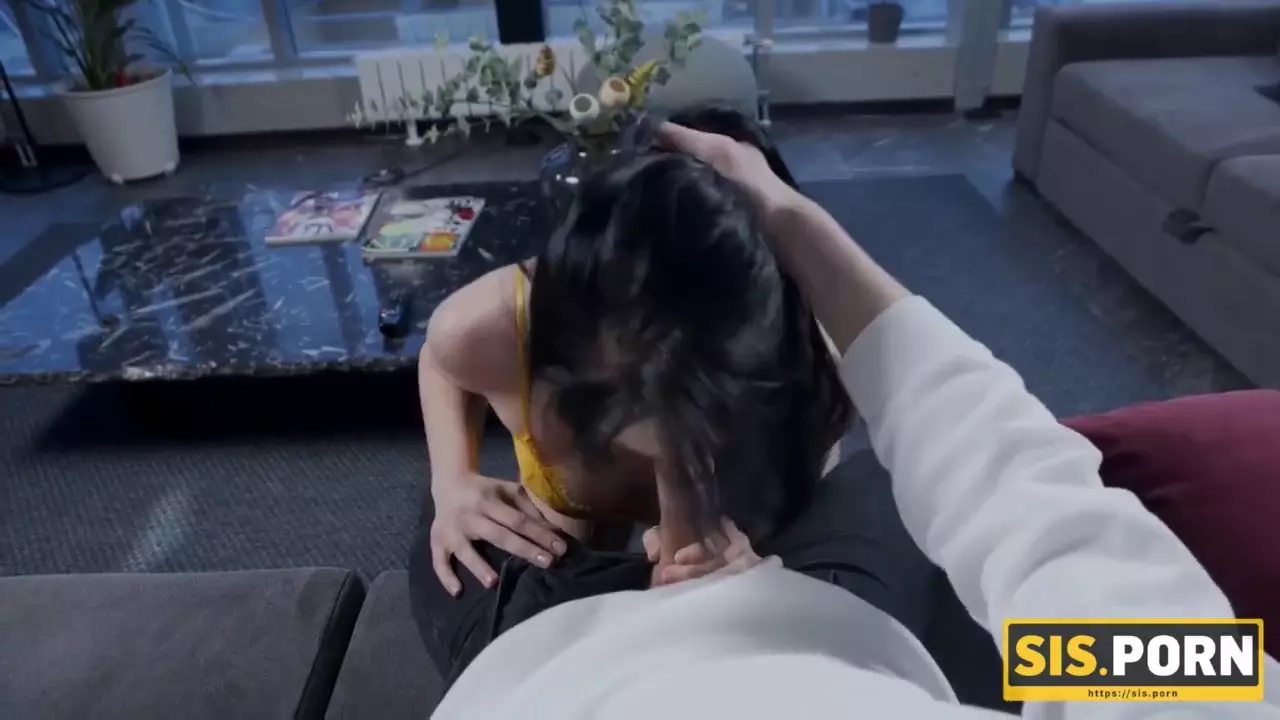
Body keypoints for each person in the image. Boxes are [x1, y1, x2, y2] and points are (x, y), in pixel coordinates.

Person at [426, 122, 1280, 719]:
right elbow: (1153, 638)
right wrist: (799, 228)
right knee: (888, 495)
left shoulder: (528, 685)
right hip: (827, 625)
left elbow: (1120, 611)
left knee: (454, 561)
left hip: (582, 652)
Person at [411, 107, 859, 687]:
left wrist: (744, 571)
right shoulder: (504, 323)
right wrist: (451, 481)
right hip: (568, 545)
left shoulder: (807, 374)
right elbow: (440, 358)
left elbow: (705, 580)